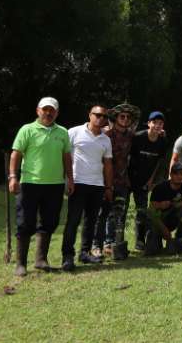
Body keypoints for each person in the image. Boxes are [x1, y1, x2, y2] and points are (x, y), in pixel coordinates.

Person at [8, 97, 73, 276]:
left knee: (50, 222)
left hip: (55, 185)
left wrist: (70, 178)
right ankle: (21, 264)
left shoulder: (62, 132)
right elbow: (16, 155)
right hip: (30, 184)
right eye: (45, 109)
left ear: (57, 113)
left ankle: (41, 259)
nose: (48, 113)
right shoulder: (27, 130)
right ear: (38, 111)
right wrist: (13, 177)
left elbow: (67, 157)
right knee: (25, 222)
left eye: (52, 110)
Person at [61, 105, 113, 271]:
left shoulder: (105, 139)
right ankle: (67, 256)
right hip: (78, 183)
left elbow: (108, 165)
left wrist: (108, 187)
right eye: (97, 115)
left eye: (104, 116)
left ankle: (85, 253)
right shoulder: (74, 132)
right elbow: (65, 156)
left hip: (97, 185)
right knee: (73, 221)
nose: (100, 118)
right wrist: (68, 179)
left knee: (91, 222)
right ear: (89, 115)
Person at [96, 103, 138, 260]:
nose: (125, 119)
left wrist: (158, 132)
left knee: (121, 212)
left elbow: (145, 137)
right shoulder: (106, 135)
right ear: (116, 118)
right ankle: (104, 243)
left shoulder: (132, 135)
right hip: (106, 179)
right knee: (105, 212)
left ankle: (116, 242)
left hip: (124, 180)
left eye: (128, 117)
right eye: (122, 116)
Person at [128, 111, 168, 251]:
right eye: (155, 122)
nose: (157, 125)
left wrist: (153, 181)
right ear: (149, 123)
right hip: (128, 179)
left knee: (142, 211)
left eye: (160, 123)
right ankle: (114, 241)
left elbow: (160, 163)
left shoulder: (162, 141)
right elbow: (126, 156)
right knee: (120, 209)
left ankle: (140, 241)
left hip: (144, 182)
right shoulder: (138, 137)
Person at [146, 163, 182, 254]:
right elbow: (151, 208)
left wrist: (174, 204)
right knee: (152, 251)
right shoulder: (160, 188)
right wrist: (160, 205)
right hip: (159, 220)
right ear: (170, 175)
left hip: (174, 218)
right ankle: (155, 239)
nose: (179, 176)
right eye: (176, 173)